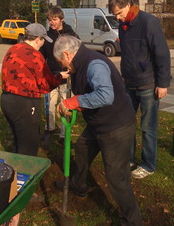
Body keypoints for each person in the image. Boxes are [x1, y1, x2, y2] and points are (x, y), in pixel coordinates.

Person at [54, 35, 142, 226]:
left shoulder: (94, 65)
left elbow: (105, 95)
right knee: (83, 148)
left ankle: (132, 220)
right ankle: (79, 185)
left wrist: (75, 102)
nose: (63, 67)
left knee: (116, 177)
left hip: (116, 126)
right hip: (97, 123)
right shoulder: (79, 64)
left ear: (68, 55)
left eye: (62, 63)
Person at [109, 0, 171, 179]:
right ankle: (128, 159)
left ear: (128, 4)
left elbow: (162, 54)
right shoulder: (123, 25)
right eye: (115, 15)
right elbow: (127, 54)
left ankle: (148, 164)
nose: (118, 18)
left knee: (147, 127)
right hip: (129, 83)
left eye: (119, 13)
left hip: (148, 83)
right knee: (126, 122)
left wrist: (162, 83)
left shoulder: (148, 22)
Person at [0, 23, 70, 156]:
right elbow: (45, 84)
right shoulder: (35, 55)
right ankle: (26, 174)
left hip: (6, 100)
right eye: (43, 40)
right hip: (25, 103)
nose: (43, 44)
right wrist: (60, 76)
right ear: (38, 39)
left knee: (18, 141)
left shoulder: (12, 49)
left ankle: (15, 173)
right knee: (28, 146)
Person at [40, 6, 78, 140]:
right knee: (49, 104)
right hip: (51, 76)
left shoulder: (71, 35)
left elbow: (77, 53)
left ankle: (64, 133)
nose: (52, 22)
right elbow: (41, 56)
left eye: (54, 19)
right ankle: (49, 128)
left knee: (65, 104)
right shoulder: (47, 36)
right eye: (50, 20)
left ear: (61, 19)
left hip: (66, 77)